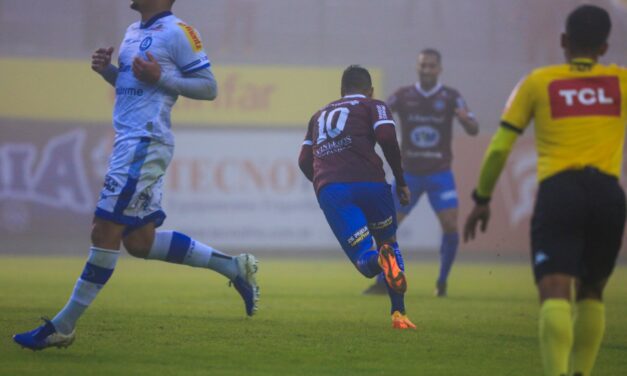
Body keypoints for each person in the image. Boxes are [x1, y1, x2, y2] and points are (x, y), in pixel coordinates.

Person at [13, 0, 259, 351]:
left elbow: (209, 87)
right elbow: (137, 86)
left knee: (104, 229)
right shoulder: (133, 31)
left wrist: (162, 76)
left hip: (145, 141)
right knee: (139, 242)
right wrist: (108, 72)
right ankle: (233, 267)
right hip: (129, 141)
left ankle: (62, 326)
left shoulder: (180, 32)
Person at [464, 5, 625, 376]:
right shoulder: (621, 82)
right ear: (604, 47)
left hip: (560, 192)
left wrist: (483, 199)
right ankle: (582, 372)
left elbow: (500, 147)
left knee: (555, 290)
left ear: (563, 41)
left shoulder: (537, 82)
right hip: (607, 194)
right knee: (592, 292)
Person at [298, 65, 416, 329]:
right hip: (372, 184)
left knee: (366, 260)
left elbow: (304, 160)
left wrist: (323, 185)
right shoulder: (375, 105)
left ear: (342, 91)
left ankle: (380, 260)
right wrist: (401, 179)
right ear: (370, 90)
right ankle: (399, 314)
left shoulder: (318, 116)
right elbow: (386, 135)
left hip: (334, 190)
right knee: (390, 242)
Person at [363, 49, 479, 297]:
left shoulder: (451, 97)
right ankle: (385, 281)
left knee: (449, 224)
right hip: (409, 176)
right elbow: (379, 111)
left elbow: (473, 127)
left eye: (431, 66)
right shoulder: (403, 96)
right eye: (423, 65)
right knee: (386, 227)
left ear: (439, 69)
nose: (426, 70)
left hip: (440, 173)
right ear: (417, 68)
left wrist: (466, 120)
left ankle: (442, 283)